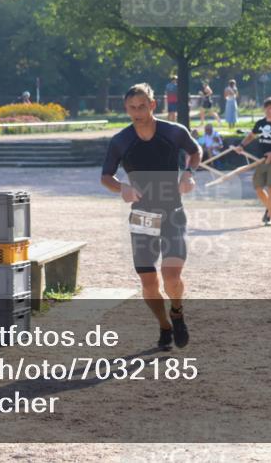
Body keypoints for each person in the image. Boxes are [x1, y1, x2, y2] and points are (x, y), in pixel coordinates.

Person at [101, 83, 200, 350]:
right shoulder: (121, 141)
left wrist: (188, 174)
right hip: (142, 216)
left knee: (171, 277)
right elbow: (106, 176)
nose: (137, 112)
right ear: (126, 109)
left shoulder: (174, 132)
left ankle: (177, 312)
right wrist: (122, 187)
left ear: (153, 105)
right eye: (132, 108)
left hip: (172, 213)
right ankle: (164, 325)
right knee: (149, 283)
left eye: (142, 106)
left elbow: (195, 152)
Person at [235, 97, 271, 226]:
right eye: (266, 108)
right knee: (258, 188)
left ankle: (268, 216)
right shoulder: (260, 123)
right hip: (260, 160)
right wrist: (241, 145)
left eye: (270, 108)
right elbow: (251, 136)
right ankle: (269, 207)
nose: (267, 111)